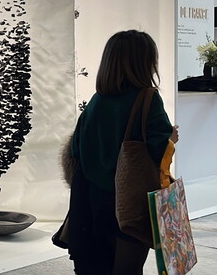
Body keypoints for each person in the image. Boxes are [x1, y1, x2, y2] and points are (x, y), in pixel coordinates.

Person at [67, 30, 179, 275]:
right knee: (128, 268)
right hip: (131, 201)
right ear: (144, 62)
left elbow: (76, 148)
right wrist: (171, 138)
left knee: (99, 266)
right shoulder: (148, 98)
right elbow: (159, 149)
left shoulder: (97, 101)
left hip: (93, 199)